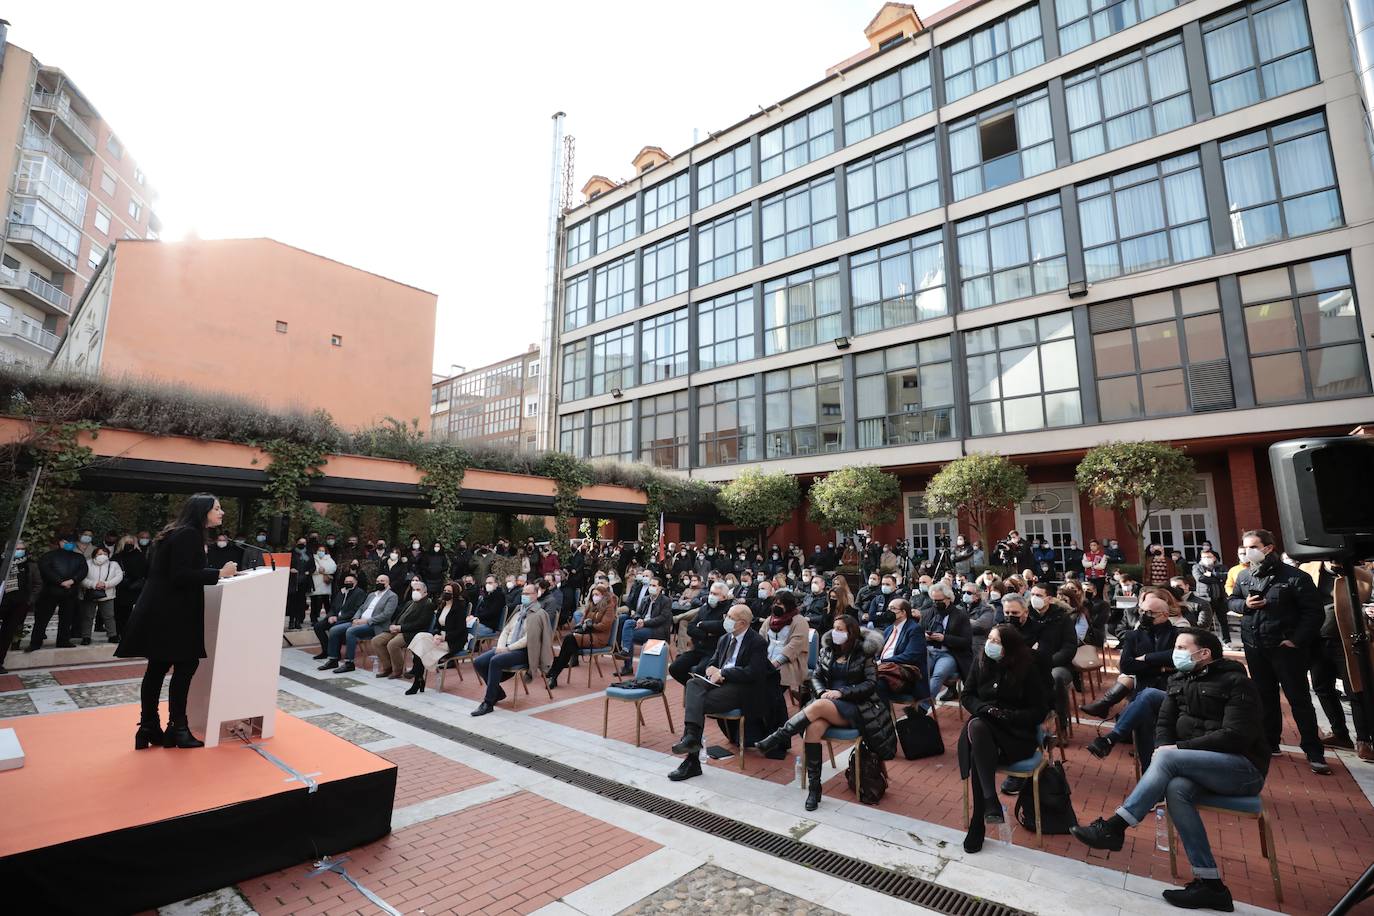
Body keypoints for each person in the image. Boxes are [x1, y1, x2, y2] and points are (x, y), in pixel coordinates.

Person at [1072, 629, 1269, 912]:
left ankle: (1116, 827)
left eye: (1180, 646)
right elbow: (1164, 723)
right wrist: (1166, 746)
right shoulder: (1178, 680)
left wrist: (1180, 749)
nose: (1175, 652)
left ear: (1204, 654)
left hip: (1241, 768)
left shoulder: (1237, 682)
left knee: (1168, 760)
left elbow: (1237, 735)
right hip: (1198, 766)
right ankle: (1211, 884)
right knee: (1176, 788)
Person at [116, 494, 237, 750]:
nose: (222, 512)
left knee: (157, 668)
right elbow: (180, 574)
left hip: (161, 610)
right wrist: (220, 573)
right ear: (202, 511)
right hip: (173, 614)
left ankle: (149, 727)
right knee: (185, 665)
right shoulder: (189, 534)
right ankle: (178, 729)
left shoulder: (177, 532)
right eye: (217, 508)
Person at [755, 614, 896, 809]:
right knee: (813, 729)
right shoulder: (828, 650)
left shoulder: (864, 654)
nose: (835, 632)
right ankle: (815, 788)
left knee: (819, 706)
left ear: (851, 632)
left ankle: (776, 737)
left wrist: (841, 692)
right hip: (826, 703)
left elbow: (871, 684)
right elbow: (816, 676)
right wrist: (822, 692)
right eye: (834, 628)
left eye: (840, 629)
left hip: (856, 706)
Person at [1228, 528, 1330, 775]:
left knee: (1299, 699)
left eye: (1253, 546)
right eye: (1245, 547)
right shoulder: (1243, 576)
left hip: (1286, 648)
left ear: (1268, 547)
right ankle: (1269, 743)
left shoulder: (1294, 577)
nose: (1248, 551)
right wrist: (1245, 605)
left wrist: (1296, 640)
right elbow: (1231, 601)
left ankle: (1313, 750)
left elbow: (1313, 612)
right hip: (1255, 646)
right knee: (1264, 697)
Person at [959, 624, 1051, 853]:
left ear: (1009, 646)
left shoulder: (1028, 667)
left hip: (1015, 731)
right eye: (990, 638)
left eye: (997, 641)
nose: (990, 644)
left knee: (976, 750)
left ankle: (979, 819)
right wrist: (985, 709)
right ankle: (989, 804)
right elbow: (967, 695)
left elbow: (1039, 710)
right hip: (985, 722)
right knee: (978, 726)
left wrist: (1010, 716)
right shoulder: (981, 660)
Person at [667, 604, 771, 782]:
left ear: (742, 623)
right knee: (693, 683)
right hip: (718, 684)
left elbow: (753, 673)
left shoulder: (757, 642)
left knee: (696, 704)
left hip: (741, 689)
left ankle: (691, 757)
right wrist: (711, 669)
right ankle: (691, 740)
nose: (725, 620)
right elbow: (713, 661)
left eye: (730, 617)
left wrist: (724, 673)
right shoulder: (724, 638)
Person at [1084, 588, 1182, 766]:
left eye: (1150, 613)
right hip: (1143, 692)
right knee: (1144, 724)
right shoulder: (1133, 636)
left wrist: (1147, 659)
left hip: (1172, 691)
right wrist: (1161, 668)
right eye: (1142, 611)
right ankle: (1146, 773)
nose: (1145, 615)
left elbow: (1176, 658)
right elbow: (1127, 665)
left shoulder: (1178, 634)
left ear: (1165, 614)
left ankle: (1111, 738)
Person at [471, 582, 554, 716]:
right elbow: (506, 630)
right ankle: (497, 692)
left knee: (495, 661)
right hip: (507, 648)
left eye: (527, 593)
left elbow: (528, 639)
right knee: (479, 662)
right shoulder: (519, 610)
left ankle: (488, 703)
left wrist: (508, 649)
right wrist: (501, 646)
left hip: (525, 652)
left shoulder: (539, 614)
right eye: (523, 593)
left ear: (535, 595)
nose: (524, 596)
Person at [545, 581, 617, 688]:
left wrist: (592, 625)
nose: (594, 597)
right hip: (587, 634)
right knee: (569, 643)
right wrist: (582, 624)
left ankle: (554, 671)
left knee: (569, 640)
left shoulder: (609, 607)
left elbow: (605, 626)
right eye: (593, 595)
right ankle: (555, 674)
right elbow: (582, 620)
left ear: (603, 595)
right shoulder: (591, 605)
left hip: (599, 638)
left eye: (597, 595)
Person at [405, 581, 467, 695]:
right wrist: (436, 635)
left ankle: (417, 681)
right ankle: (418, 679)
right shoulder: (442, 605)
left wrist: (444, 638)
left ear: (455, 594)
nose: (446, 593)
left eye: (449, 592)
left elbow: (460, 631)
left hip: (452, 640)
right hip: (439, 637)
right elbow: (437, 626)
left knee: (421, 651)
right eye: (445, 591)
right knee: (420, 637)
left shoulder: (460, 608)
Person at [30, 533, 89, 651]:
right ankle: (36, 642)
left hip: (70, 592)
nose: (69, 545)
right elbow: (46, 570)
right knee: (42, 618)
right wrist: (61, 582)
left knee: (67, 618)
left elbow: (83, 570)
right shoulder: (49, 556)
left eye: (72, 543)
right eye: (67, 542)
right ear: (60, 542)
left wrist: (72, 580)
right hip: (50, 591)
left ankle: (63, 640)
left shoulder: (79, 557)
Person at [921, 583, 972, 709]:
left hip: (950, 653)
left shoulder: (960, 615)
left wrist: (944, 638)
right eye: (934, 600)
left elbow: (966, 641)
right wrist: (925, 636)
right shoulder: (928, 613)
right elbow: (918, 633)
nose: (936, 603)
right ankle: (916, 699)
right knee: (920, 671)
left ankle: (922, 707)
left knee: (939, 673)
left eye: (940, 600)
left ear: (949, 599)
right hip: (929, 650)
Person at [669, 580, 729, 685]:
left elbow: (721, 627)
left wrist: (702, 625)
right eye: (710, 593)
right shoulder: (704, 608)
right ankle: (692, 687)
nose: (711, 596)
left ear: (724, 597)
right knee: (675, 668)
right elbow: (691, 627)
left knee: (700, 671)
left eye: (715, 594)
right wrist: (706, 634)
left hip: (713, 651)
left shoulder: (727, 610)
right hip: (698, 648)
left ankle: (698, 690)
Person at [616, 575, 671, 675]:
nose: (651, 587)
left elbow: (662, 619)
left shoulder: (666, 601)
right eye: (650, 585)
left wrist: (644, 623)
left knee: (630, 635)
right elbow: (638, 613)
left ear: (660, 588)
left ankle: (626, 659)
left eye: (654, 585)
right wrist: (638, 619)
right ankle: (626, 652)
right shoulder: (645, 599)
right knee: (628, 623)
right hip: (643, 626)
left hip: (657, 630)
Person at [765, 591, 811, 707]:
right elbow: (760, 639)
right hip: (767, 659)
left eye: (780, 604)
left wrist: (776, 662)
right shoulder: (770, 620)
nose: (776, 606)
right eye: (775, 603)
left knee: (771, 691)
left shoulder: (799, 621)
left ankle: (778, 720)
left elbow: (795, 645)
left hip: (789, 662)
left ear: (788, 605)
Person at [876, 597, 927, 702]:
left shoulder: (914, 629)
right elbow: (879, 652)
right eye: (888, 608)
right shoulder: (888, 629)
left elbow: (911, 655)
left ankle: (884, 717)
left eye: (893, 609)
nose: (889, 612)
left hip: (904, 674)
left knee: (877, 683)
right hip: (884, 669)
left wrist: (882, 662)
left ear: (903, 612)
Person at [311, 570, 366, 659]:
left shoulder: (359, 593)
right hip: (335, 617)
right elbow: (333, 607)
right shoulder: (341, 592)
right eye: (346, 582)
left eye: (350, 582)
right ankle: (326, 651)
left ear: (355, 583)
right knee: (318, 626)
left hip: (347, 619)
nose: (348, 583)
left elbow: (355, 611)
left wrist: (338, 618)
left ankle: (335, 653)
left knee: (335, 627)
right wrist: (330, 616)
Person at [0, 539, 36, 674]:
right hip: (2, 601)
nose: (19, 551)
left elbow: (36, 584)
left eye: (21, 548)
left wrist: (28, 601)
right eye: (16, 548)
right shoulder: (2, 562)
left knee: (7, 634)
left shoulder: (28, 565)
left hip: (18, 604)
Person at [79, 544, 124, 645]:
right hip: (90, 593)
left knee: (109, 616)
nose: (102, 555)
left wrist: (106, 584)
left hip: (108, 594)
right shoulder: (87, 563)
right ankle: (86, 637)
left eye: (105, 553)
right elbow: (82, 578)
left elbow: (119, 577)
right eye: (99, 553)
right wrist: (93, 584)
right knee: (88, 616)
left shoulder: (114, 564)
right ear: (94, 555)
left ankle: (112, 635)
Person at [1192, 548, 1231, 646]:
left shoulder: (1221, 567)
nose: (1206, 559)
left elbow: (1226, 576)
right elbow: (1200, 578)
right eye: (1204, 557)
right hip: (1205, 599)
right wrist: (1217, 579)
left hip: (1220, 598)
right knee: (1205, 622)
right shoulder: (1197, 567)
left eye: (1208, 557)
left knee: (1223, 621)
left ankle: (1226, 641)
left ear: (1214, 558)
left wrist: (1212, 574)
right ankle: (1203, 642)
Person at [308, 542, 337, 626]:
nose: (321, 552)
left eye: (322, 550)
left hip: (325, 584)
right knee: (314, 602)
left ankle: (328, 617)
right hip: (315, 583)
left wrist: (324, 570)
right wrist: (318, 570)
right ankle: (313, 619)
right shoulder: (313, 558)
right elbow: (311, 567)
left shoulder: (329, 558)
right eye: (319, 550)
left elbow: (333, 567)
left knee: (326, 601)